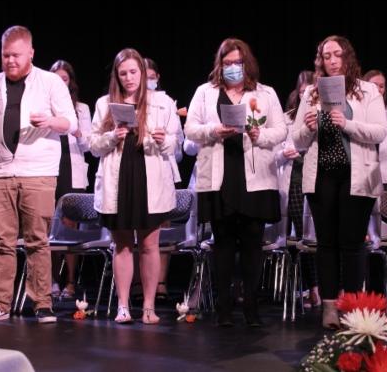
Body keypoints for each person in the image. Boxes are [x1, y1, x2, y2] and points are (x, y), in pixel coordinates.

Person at [0, 26, 78, 324]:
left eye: (16, 55)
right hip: (0, 171)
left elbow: (69, 122)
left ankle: (42, 303)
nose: (10, 61)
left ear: (31, 52)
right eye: (5, 55)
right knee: (2, 240)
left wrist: (50, 120)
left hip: (38, 171)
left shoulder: (50, 82)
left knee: (37, 239)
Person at [185, 38, 287, 327]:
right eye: (227, 63)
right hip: (220, 177)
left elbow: (280, 130)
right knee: (224, 245)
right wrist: (215, 130)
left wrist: (260, 135)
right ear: (220, 65)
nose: (232, 68)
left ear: (247, 64)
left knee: (253, 245)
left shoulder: (265, 93)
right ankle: (224, 309)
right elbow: (190, 128)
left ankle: (252, 307)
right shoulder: (205, 93)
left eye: (237, 63)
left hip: (255, 178)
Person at [292, 36, 387, 328]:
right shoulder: (311, 93)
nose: (332, 60)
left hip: (356, 176)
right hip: (323, 177)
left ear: (348, 57)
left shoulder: (367, 91)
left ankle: (355, 307)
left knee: (352, 244)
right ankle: (330, 307)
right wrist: (309, 129)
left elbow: (380, 132)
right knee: (327, 244)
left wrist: (347, 124)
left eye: (337, 54)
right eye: (326, 56)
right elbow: (296, 139)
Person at [90, 48, 178, 324]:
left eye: (133, 72)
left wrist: (164, 139)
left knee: (150, 245)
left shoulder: (162, 102)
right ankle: (124, 306)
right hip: (119, 179)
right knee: (123, 245)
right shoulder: (105, 103)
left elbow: (175, 143)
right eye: (123, 73)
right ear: (117, 75)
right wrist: (111, 136)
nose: (128, 78)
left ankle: (149, 307)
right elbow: (92, 146)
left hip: (148, 175)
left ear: (142, 72)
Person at [49, 59, 93, 299]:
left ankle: (70, 281)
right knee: (50, 227)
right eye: (56, 80)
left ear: (70, 83)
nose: (60, 84)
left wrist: (76, 130)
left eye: (64, 80)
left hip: (73, 168)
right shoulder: (44, 107)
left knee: (70, 226)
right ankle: (51, 280)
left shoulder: (82, 109)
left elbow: (88, 144)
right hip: (50, 168)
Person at [142, 57, 183, 301]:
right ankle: (139, 283)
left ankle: (160, 282)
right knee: (138, 233)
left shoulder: (167, 104)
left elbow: (177, 150)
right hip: (138, 171)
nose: (147, 81)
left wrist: (164, 140)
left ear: (157, 77)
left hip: (163, 172)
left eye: (151, 76)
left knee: (161, 232)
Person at [281, 70, 320, 308]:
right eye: (303, 90)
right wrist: (287, 153)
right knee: (303, 240)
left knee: (320, 239)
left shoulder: (322, 112)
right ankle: (311, 288)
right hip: (295, 181)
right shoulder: (288, 118)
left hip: (316, 178)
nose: (306, 94)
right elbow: (280, 147)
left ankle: (327, 290)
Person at [363, 70, 387, 190]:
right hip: (364, 175)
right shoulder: (358, 112)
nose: (378, 89)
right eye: (374, 85)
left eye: (381, 86)